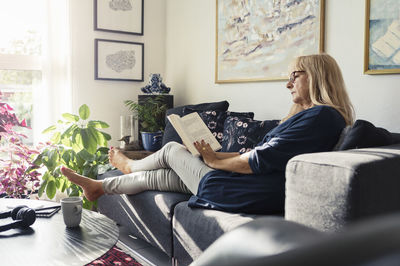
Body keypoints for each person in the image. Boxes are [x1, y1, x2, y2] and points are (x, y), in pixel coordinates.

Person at [61, 53, 354, 215]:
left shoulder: (322, 116)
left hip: (245, 192)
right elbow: (249, 155)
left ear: (317, 77)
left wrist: (213, 162)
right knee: (166, 175)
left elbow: (260, 160)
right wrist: (209, 155)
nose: (288, 84)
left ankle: (128, 166)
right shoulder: (311, 117)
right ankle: (100, 187)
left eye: (295, 75)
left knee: (173, 150)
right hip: (242, 183)